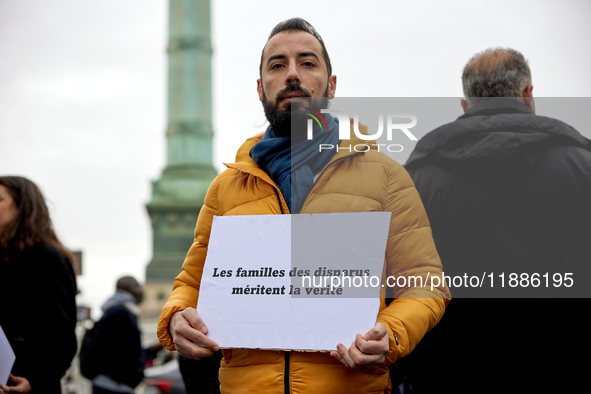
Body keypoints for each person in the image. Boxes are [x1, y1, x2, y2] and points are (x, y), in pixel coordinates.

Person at [157, 18, 449, 393]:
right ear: (261, 88)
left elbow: (425, 283)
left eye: (308, 63)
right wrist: (178, 317)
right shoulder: (226, 188)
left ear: (331, 85)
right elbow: (191, 285)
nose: (292, 74)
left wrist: (391, 334)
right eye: (277, 65)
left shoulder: (386, 177)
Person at [402, 48, 591, 393]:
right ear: (528, 94)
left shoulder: (413, 179)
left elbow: (401, 285)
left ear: (465, 105)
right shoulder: (583, 166)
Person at [0, 176, 78, 394]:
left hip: (22, 385)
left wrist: (35, 381)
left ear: (22, 207)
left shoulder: (47, 258)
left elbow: (62, 338)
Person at [90, 276, 145, 394]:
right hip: (114, 386)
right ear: (125, 288)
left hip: (111, 384)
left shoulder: (117, 310)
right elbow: (116, 350)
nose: (141, 290)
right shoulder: (121, 312)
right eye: (136, 286)